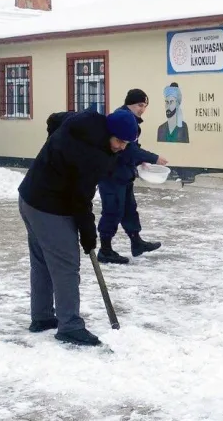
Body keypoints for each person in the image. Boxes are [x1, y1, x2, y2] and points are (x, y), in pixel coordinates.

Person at [17, 107, 138, 347]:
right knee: (66, 265)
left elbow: (53, 118)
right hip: (50, 206)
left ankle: (42, 317)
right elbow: (80, 200)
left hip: (29, 197)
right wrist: (88, 235)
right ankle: (70, 326)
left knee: (42, 260)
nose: (122, 147)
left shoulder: (83, 121)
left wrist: (55, 153)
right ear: (109, 133)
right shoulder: (91, 156)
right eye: (120, 141)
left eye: (127, 143)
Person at [96, 89, 170, 265]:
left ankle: (137, 243)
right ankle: (105, 250)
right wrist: (153, 158)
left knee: (129, 209)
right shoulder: (121, 119)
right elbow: (128, 149)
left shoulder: (131, 120)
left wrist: (138, 163)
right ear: (129, 103)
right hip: (111, 175)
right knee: (113, 211)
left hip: (124, 173)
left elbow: (130, 149)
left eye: (145, 106)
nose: (142, 109)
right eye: (139, 105)